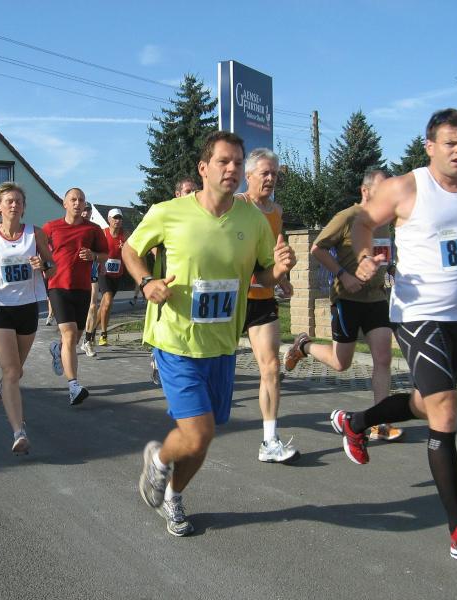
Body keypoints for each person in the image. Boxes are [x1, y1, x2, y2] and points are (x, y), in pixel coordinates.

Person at [333, 109, 457, 562]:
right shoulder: (405, 188)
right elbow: (362, 222)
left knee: (426, 402)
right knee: (446, 407)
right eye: (450, 143)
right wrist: (364, 257)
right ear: (430, 146)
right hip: (416, 314)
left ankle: (356, 422)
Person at [123, 131, 296, 537]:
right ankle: (159, 460)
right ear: (204, 168)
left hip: (221, 344)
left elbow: (262, 276)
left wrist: (279, 269)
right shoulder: (168, 212)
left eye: (237, 162)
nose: (232, 169)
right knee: (198, 432)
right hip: (175, 340)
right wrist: (147, 282)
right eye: (223, 161)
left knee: (203, 437)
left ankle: (173, 494)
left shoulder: (252, 219)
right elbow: (130, 250)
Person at [284, 169, 402, 442]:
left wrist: (391, 269)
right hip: (347, 299)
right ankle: (304, 346)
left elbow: (381, 255)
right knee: (341, 363)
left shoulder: (384, 221)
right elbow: (317, 248)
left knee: (383, 358)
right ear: (365, 191)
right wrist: (343, 274)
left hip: (376, 298)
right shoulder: (347, 217)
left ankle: (379, 423)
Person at [0, 182, 55, 454]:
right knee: (11, 371)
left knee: (16, 370)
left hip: (28, 308)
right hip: (2, 309)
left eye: (19, 201)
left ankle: (2, 389)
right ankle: (19, 432)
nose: (14, 205)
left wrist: (42, 265)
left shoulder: (35, 234)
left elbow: (52, 266)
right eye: (9, 201)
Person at [235, 148, 299, 464]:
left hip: (261, 298)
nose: (271, 178)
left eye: (274, 173)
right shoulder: (237, 205)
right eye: (265, 173)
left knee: (271, 366)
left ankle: (269, 440)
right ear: (248, 176)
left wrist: (282, 277)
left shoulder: (276, 211)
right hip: (232, 299)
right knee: (210, 368)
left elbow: (273, 250)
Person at [43, 188, 108, 405]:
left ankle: (57, 348)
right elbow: (37, 250)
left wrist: (94, 255)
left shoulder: (93, 229)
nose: (77, 203)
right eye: (73, 199)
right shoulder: (51, 227)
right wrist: (42, 265)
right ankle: (73, 386)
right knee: (70, 334)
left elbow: (105, 255)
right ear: (64, 203)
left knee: (75, 337)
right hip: (57, 286)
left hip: (82, 288)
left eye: (81, 200)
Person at [148, 177, 199, 384]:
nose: (192, 195)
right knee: (164, 323)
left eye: (195, 190)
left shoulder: (201, 218)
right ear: (177, 195)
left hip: (193, 284)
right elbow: (142, 244)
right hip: (167, 282)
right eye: (187, 191)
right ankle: (158, 360)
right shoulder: (167, 215)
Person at [92, 208, 128, 348]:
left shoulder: (126, 235)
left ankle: (91, 332)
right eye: (115, 218)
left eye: (119, 218)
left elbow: (133, 252)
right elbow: (95, 250)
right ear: (109, 219)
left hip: (117, 275)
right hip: (103, 272)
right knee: (107, 301)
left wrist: (126, 249)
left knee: (105, 306)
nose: (117, 221)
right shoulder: (103, 233)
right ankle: (104, 334)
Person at [80, 204, 101, 357]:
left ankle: (87, 341)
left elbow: (102, 251)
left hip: (92, 271)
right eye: (84, 210)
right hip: (74, 275)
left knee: (93, 305)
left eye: (88, 211)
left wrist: (101, 262)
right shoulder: (69, 227)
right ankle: (64, 343)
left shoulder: (94, 229)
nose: (86, 213)